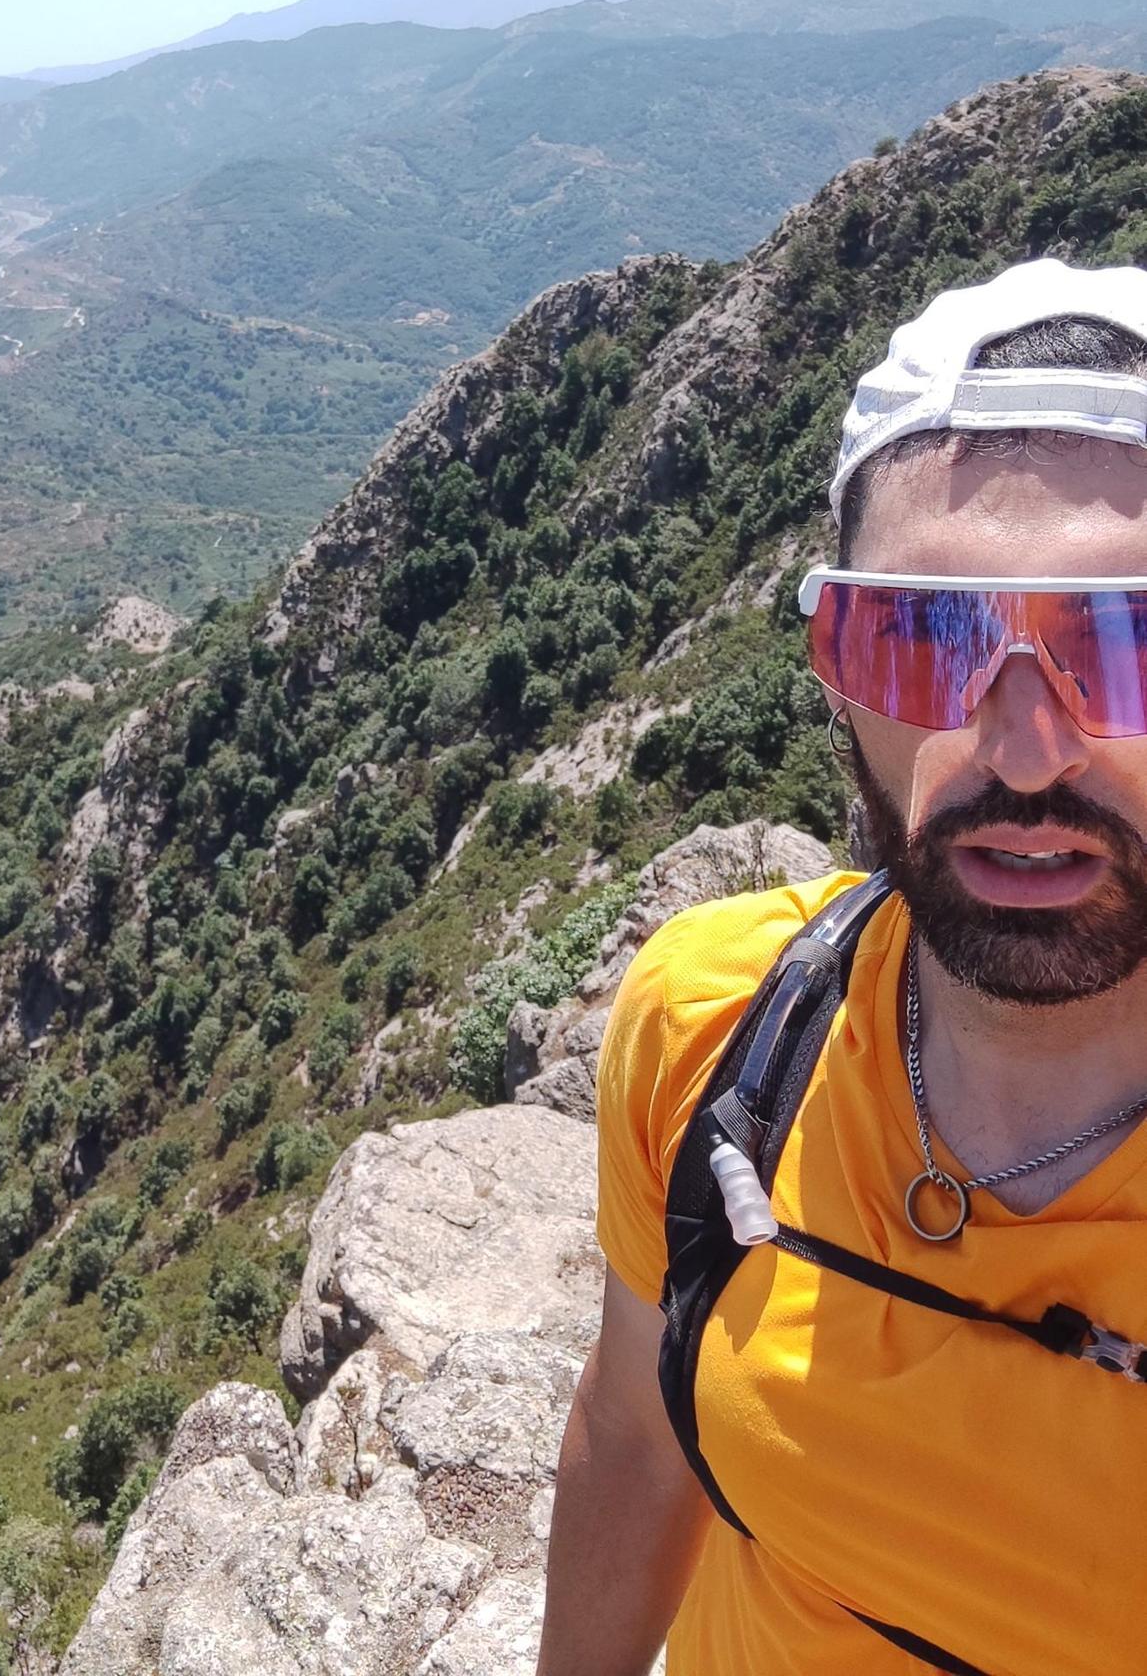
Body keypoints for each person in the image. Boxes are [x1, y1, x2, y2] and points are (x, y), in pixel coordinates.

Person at [536, 258, 1147, 1676]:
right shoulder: (716, 1034)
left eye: (1125, 643)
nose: (1025, 750)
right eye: (927, 641)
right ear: (835, 675)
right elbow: (636, 1433)